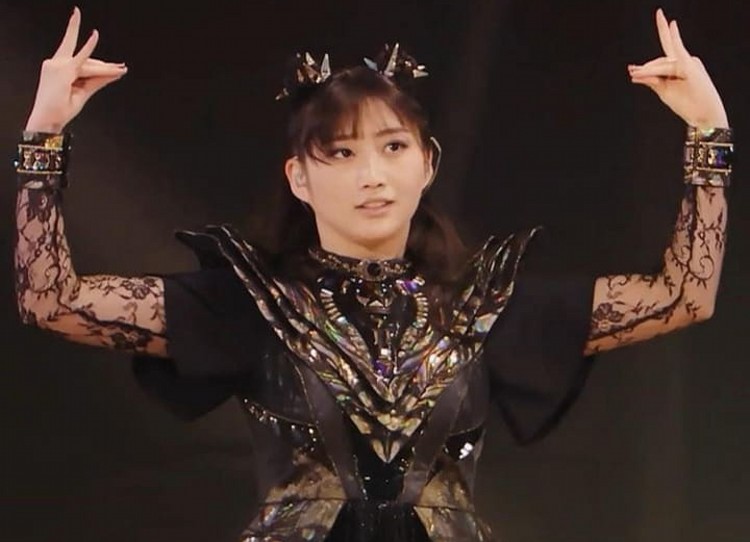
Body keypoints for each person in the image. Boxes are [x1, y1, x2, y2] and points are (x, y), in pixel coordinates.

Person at [13, 6, 731, 542]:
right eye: (341, 153)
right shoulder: (254, 303)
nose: (372, 176)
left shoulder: (486, 303)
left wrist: (708, 134)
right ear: (299, 177)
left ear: (428, 163)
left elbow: (683, 295)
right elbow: (53, 301)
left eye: (392, 147)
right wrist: (43, 137)